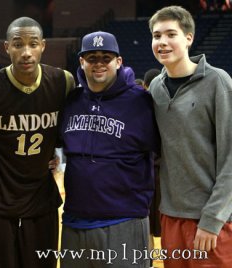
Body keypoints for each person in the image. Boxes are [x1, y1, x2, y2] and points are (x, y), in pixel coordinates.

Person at [0, 16, 75, 268]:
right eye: (18, 44)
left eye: (33, 44)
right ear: (6, 47)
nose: (26, 52)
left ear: (43, 45)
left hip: (42, 200)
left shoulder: (63, 82)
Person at [59, 31, 160, 267]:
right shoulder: (72, 100)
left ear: (119, 61)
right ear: (81, 62)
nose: (99, 63)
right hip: (75, 222)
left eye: (106, 57)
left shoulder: (140, 101)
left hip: (123, 221)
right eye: (92, 58)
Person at [149, 5, 232, 267]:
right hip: (171, 216)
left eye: (170, 34)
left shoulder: (218, 82)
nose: (162, 42)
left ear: (189, 37)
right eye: (156, 35)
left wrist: (213, 219)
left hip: (212, 220)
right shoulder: (155, 89)